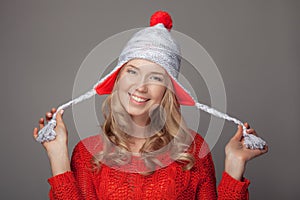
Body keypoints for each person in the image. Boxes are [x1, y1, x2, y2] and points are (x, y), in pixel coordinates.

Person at [33, 11, 268, 199]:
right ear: (117, 79)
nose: (140, 86)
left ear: (168, 90)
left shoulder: (194, 150)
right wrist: (58, 157)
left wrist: (235, 166)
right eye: (132, 72)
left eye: (155, 77)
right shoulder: (87, 153)